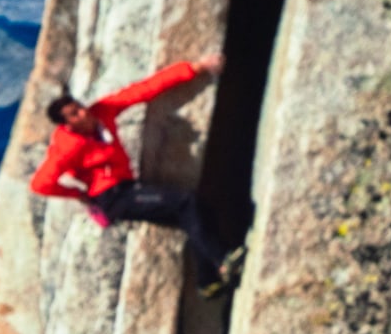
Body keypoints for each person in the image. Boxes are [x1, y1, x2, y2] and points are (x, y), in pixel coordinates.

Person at [30, 52, 246, 298]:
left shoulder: (102, 112)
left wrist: (195, 68)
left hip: (127, 188)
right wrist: (80, 193)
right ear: (66, 125)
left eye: (79, 108)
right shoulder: (68, 146)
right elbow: (40, 184)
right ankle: (223, 261)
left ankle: (208, 283)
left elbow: (143, 90)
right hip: (112, 198)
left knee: (194, 215)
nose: (83, 113)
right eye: (74, 115)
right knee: (187, 202)